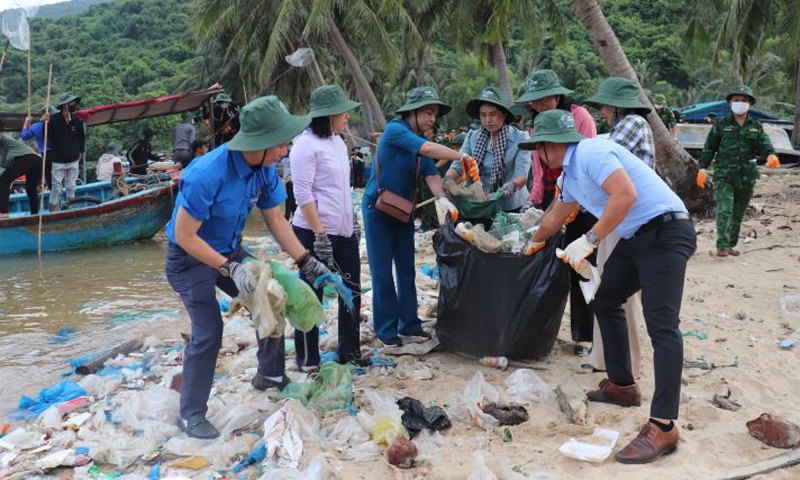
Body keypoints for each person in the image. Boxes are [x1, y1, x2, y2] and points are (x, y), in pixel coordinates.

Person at [523, 109, 696, 464]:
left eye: (537, 148)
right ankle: (622, 385)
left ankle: (663, 426)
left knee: (662, 325)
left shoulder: (592, 152)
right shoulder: (571, 174)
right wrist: (528, 243)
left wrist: (588, 240)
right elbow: (557, 214)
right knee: (604, 299)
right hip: (638, 236)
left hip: (666, 231)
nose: (536, 156)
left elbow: (625, 196)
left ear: (548, 146)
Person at [164, 95, 332, 439]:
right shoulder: (207, 173)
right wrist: (231, 268)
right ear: (263, 141)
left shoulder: (266, 170)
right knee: (209, 330)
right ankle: (191, 413)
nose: (286, 149)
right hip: (189, 258)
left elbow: (277, 221)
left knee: (270, 296)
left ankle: (269, 375)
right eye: (283, 143)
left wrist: (306, 260)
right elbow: (184, 235)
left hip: (228, 250)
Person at [363, 86, 459, 347]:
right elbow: (428, 150)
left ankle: (410, 325)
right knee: (382, 271)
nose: (432, 119)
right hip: (378, 209)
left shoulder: (417, 140)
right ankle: (386, 330)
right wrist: (461, 155)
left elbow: (431, 174)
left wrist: (441, 199)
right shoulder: (397, 130)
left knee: (406, 269)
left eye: (435, 114)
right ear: (412, 112)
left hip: (403, 211)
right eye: (428, 112)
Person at [516, 70, 597, 356]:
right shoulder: (535, 128)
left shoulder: (580, 117)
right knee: (551, 267)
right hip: (556, 197)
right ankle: (542, 329)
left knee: (582, 265)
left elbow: (586, 163)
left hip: (584, 201)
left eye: (544, 98)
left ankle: (585, 337)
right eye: (534, 101)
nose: (540, 104)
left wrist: (573, 206)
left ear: (558, 95)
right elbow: (539, 173)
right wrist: (535, 203)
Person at [288, 84, 364, 368]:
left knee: (351, 288)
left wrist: (352, 218)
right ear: (327, 114)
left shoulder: (338, 141)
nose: (347, 115)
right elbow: (303, 194)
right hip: (313, 231)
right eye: (342, 111)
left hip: (343, 229)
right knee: (311, 294)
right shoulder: (304, 145)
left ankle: (350, 351)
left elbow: (341, 188)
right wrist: (319, 233)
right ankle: (308, 359)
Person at [583, 77, 653, 377]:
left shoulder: (633, 123)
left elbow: (600, 155)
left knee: (615, 291)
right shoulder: (629, 125)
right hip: (621, 215)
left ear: (615, 106)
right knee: (608, 287)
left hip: (625, 216)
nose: (602, 111)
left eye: (604, 105)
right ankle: (603, 357)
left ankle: (624, 363)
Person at [698, 85, 779, 257]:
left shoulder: (756, 126)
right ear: (730, 103)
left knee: (738, 212)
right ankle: (722, 247)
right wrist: (702, 168)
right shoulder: (721, 125)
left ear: (750, 103)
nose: (740, 103)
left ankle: (730, 244)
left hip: (747, 175)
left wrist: (771, 155)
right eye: (736, 100)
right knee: (725, 209)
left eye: (744, 100)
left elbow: (764, 144)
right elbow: (709, 148)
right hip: (724, 174)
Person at [446, 86, 531, 213]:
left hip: (512, 205)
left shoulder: (520, 138)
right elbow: (459, 164)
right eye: (483, 115)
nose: (487, 120)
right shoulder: (472, 136)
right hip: (481, 203)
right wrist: (447, 180)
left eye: (493, 114)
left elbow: (522, 175)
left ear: (504, 114)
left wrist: (509, 187)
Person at [586, 77, 655, 170]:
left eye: (602, 106)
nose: (601, 112)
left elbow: (603, 154)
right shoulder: (626, 123)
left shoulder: (634, 121)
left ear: (616, 106)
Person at [47, 92, 85, 212]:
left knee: (71, 186)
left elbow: (82, 137)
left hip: (73, 158)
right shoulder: (53, 120)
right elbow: (47, 135)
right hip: (58, 160)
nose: (74, 105)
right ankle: (52, 212)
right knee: (56, 188)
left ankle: (69, 209)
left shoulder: (77, 120)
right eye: (71, 103)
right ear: (64, 105)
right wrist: (44, 122)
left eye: (74, 102)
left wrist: (81, 151)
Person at [0, 135, 42, 218]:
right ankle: (35, 214)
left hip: (26, 158)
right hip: (37, 161)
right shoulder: (5, 154)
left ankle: (3, 212)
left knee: (3, 180)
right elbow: (7, 170)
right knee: (31, 188)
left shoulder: (4, 139)